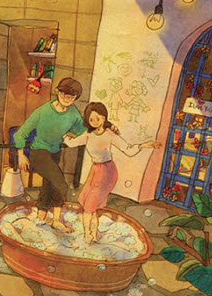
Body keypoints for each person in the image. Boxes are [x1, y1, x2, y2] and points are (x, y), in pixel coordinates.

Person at [63, 101, 161, 242]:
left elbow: (128, 149)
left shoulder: (109, 134)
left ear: (103, 117)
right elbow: (72, 142)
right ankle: (91, 234)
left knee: (89, 206)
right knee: (90, 207)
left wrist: (145, 145)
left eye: (97, 118)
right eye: (91, 119)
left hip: (107, 172)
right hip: (95, 170)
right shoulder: (88, 134)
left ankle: (88, 235)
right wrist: (64, 135)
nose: (94, 122)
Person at [13, 78, 87, 232]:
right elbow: (20, 133)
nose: (67, 99)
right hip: (39, 153)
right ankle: (56, 220)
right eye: (65, 94)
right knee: (60, 184)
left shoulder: (73, 114)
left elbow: (82, 130)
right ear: (58, 92)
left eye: (71, 97)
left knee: (48, 184)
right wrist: (21, 154)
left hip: (55, 153)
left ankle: (41, 217)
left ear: (75, 98)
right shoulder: (43, 111)